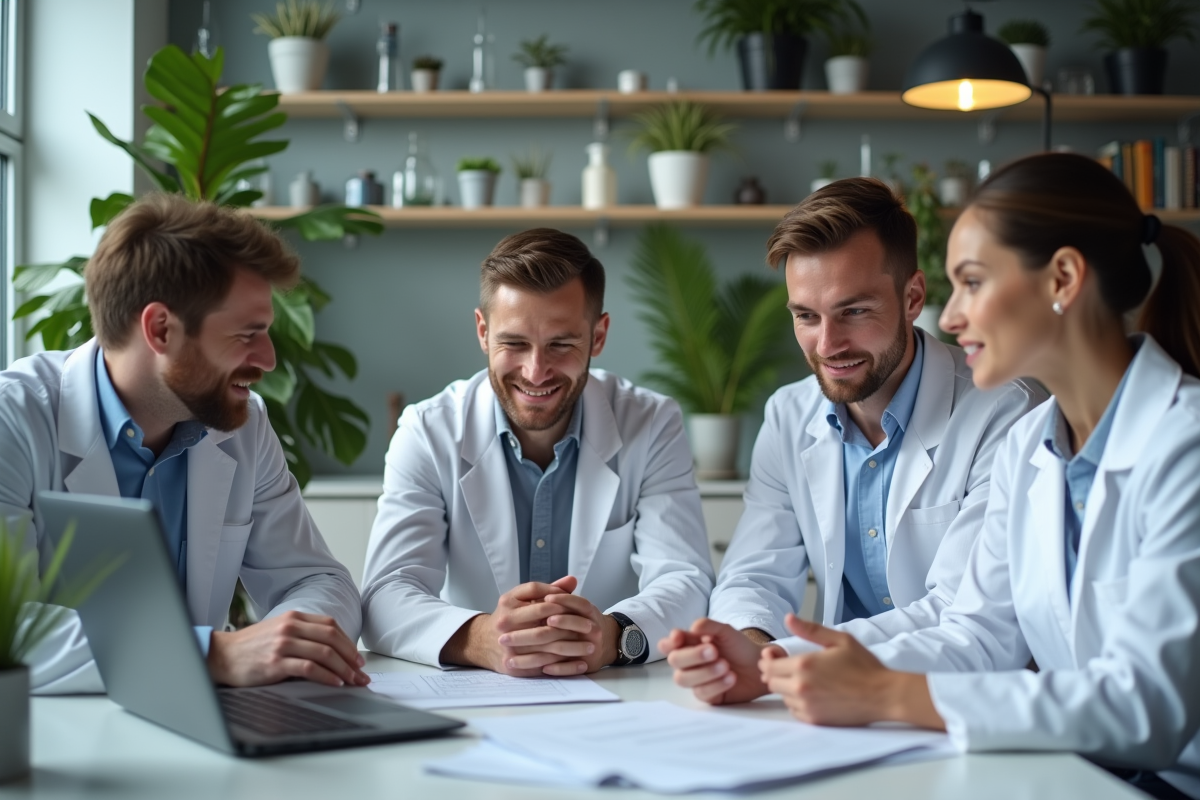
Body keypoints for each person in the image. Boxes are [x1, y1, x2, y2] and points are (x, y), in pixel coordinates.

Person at [757, 153, 1200, 800]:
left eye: (971, 282)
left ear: (1064, 279)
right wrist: (780, 662)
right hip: (1073, 772)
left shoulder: (1184, 444)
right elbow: (979, 633)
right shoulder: (1031, 445)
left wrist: (889, 693)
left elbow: (1145, 709)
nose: (950, 316)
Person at [660, 178, 1045, 705]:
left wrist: (781, 662)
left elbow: (966, 617)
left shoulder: (1005, 410)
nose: (827, 344)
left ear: (913, 297)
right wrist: (746, 645)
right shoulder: (788, 414)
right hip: (828, 704)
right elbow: (755, 574)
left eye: (854, 311)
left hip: (952, 705)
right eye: (805, 316)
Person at [0, 194, 366, 695]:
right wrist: (211, 653)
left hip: (205, 727)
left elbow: (320, 581)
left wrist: (286, 643)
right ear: (160, 328)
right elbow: (8, 627)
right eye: (247, 334)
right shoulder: (14, 418)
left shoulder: (243, 427)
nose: (268, 359)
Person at [361, 228, 714, 675]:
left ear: (598, 336)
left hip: (611, 689)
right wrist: (481, 639)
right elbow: (386, 592)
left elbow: (685, 578)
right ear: (483, 332)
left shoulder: (652, 422)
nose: (536, 371)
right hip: (473, 691)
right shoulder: (428, 430)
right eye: (514, 343)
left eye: (561, 345)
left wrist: (612, 635)